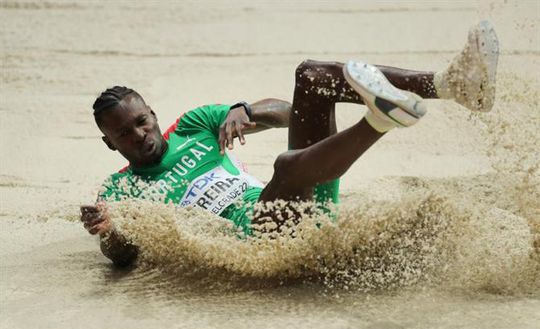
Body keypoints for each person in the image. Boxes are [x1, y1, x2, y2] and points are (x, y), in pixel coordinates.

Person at [81, 21, 499, 266]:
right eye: (124, 133)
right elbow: (121, 254)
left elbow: (287, 112)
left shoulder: (193, 125)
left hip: (307, 197)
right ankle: (379, 120)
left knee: (312, 76)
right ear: (109, 142)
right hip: (263, 236)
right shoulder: (121, 189)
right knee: (285, 166)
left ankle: (453, 85)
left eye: (141, 122)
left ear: (152, 114)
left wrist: (245, 110)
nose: (140, 135)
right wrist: (109, 230)